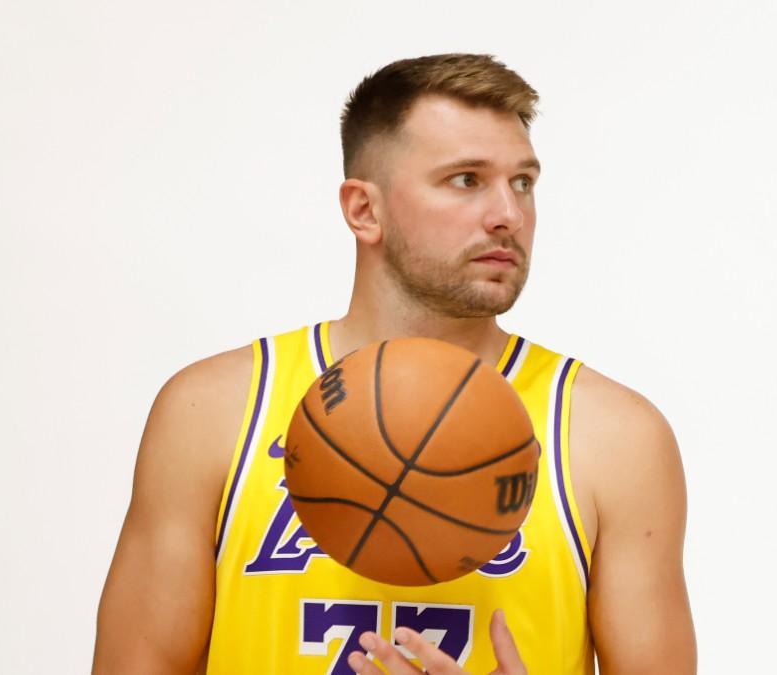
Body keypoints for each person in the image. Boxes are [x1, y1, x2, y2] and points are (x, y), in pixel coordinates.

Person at [94, 53, 696, 674]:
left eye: (523, 182)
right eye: (466, 179)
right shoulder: (214, 411)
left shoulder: (611, 436)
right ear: (364, 210)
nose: (509, 216)